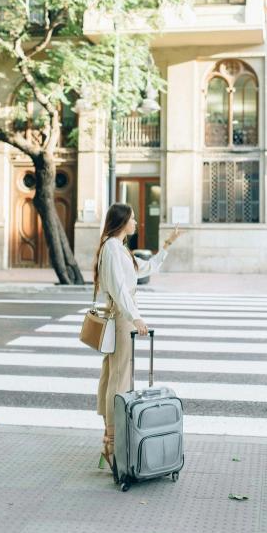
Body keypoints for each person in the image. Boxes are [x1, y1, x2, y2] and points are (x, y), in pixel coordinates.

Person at [93, 202, 182, 471]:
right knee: (118, 378)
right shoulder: (111, 249)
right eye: (132, 219)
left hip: (123, 316)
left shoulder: (119, 248)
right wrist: (136, 317)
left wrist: (166, 245)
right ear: (122, 222)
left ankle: (110, 440)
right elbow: (120, 290)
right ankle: (110, 442)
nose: (136, 223)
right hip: (121, 317)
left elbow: (143, 269)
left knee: (114, 375)